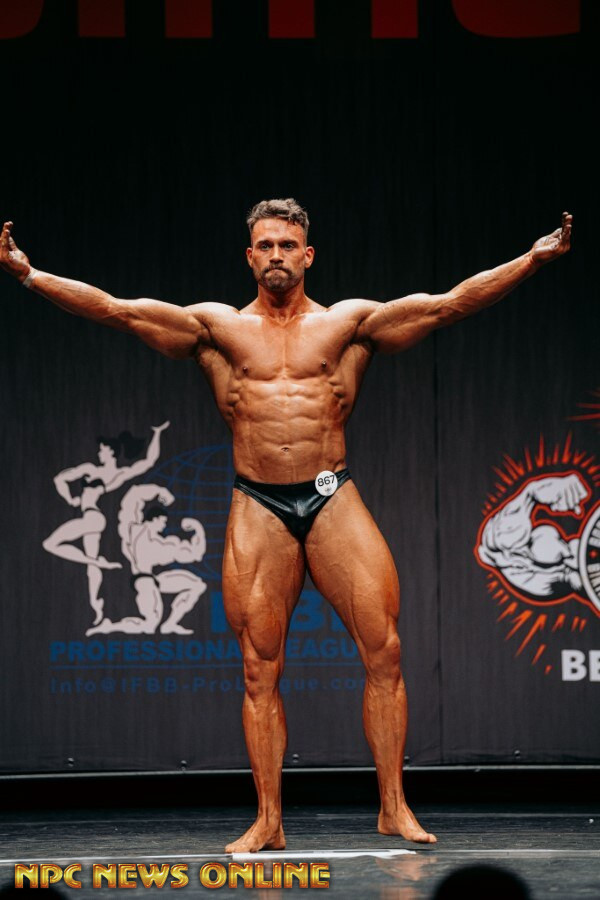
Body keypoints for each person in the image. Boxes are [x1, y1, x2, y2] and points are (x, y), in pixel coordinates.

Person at [0, 201, 572, 851]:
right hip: (258, 501)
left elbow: (447, 305)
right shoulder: (216, 328)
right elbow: (117, 310)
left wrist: (532, 260)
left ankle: (393, 807)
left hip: (330, 494)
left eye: (288, 244)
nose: (277, 254)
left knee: (384, 650)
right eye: (266, 244)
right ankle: (269, 820)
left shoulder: (347, 324)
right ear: (250, 257)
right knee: (258, 668)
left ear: (308, 255)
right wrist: (29, 275)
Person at [42, 423, 170, 626]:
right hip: (94, 519)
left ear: (111, 451)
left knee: (50, 544)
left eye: (101, 450)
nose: (99, 453)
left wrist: (157, 434)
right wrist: (70, 499)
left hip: (92, 518)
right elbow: (148, 461)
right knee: (91, 567)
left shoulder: (99, 471)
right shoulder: (109, 473)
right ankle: (96, 606)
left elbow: (148, 462)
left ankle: (100, 565)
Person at [86, 483, 207, 636]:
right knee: (150, 624)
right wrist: (159, 491)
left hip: (154, 579)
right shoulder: (135, 532)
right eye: (162, 522)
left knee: (197, 585)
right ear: (154, 519)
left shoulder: (159, 543)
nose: (164, 526)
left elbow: (194, 554)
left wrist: (198, 530)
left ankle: (170, 623)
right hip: (144, 581)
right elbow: (133, 498)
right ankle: (109, 627)